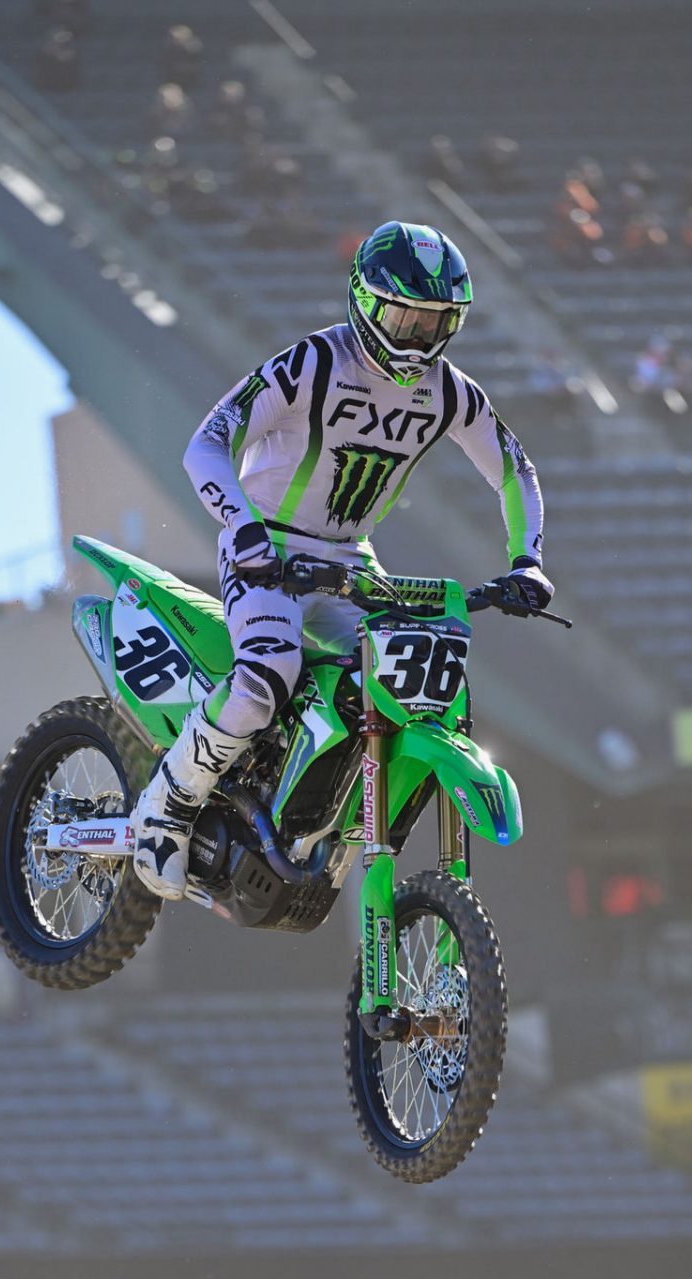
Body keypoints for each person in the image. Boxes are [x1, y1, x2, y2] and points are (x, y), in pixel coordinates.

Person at [130, 220, 553, 901]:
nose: (417, 336)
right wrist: (243, 528)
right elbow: (207, 444)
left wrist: (526, 560)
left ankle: (315, 811)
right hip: (266, 547)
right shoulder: (314, 363)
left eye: (434, 321)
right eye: (404, 317)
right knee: (266, 676)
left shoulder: (450, 391)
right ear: (364, 299)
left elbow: (514, 471)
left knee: (410, 683)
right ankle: (168, 805)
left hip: (351, 563)